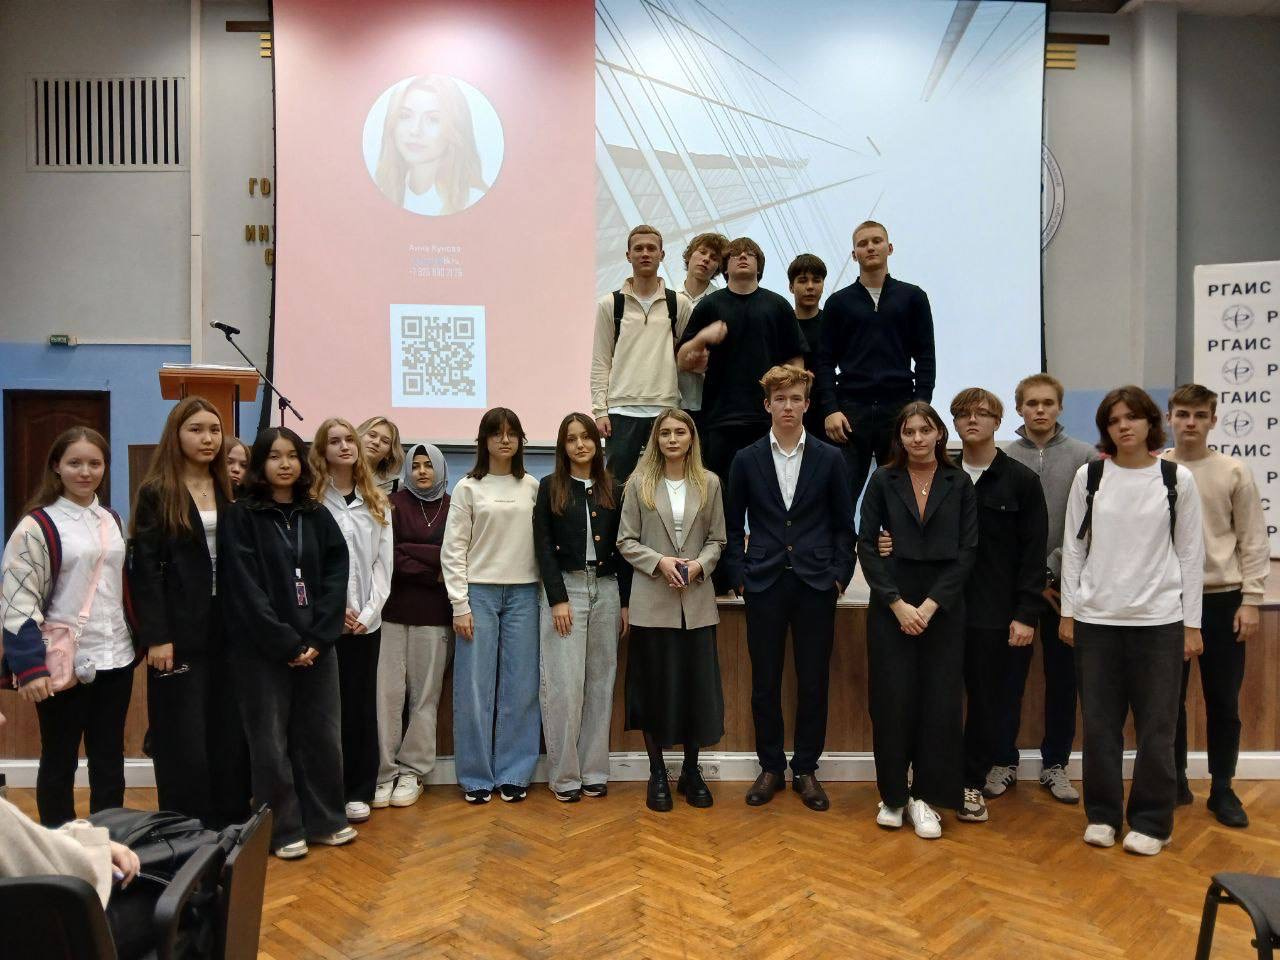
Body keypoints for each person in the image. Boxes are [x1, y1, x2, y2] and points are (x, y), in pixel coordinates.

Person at [878, 389, 1048, 825]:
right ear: (951, 424)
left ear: (998, 421)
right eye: (963, 414)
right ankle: (923, 786)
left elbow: (1033, 553)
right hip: (940, 610)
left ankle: (969, 782)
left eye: (983, 413)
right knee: (935, 700)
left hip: (991, 610)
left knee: (985, 701)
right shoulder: (938, 473)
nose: (973, 420)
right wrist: (887, 542)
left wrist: (1025, 612)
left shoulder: (1020, 480)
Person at [1060, 386, 1204, 856]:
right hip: (1097, 621)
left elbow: (1191, 554)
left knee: (1157, 729)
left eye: (1132, 417)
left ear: (1150, 423)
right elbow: (1074, 548)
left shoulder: (1175, 479)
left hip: (1159, 623)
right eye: (1113, 420)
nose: (1123, 426)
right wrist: (1068, 612)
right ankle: (1103, 816)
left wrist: (1192, 624)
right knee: (1099, 727)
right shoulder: (1090, 476)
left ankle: (1152, 822)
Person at [723, 366, 855, 812]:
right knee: (765, 682)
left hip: (816, 583)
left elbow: (844, 525)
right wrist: (739, 575)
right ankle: (770, 767)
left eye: (796, 398)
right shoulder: (746, 459)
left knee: (813, 681)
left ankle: (806, 769)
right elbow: (731, 524)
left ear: (807, 404)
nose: (788, 406)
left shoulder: (829, 458)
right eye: (780, 399)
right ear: (767, 405)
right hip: (763, 582)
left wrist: (840, 575)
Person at [219, 427, 354, 859]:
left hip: (317, 647)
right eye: (274, 456)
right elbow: (244, 588)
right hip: (262, 650)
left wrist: (318, 637)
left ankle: (327, 820)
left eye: (292, 455)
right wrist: (285, 643)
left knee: (322, 736)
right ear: (260, 464)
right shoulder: (241, 516)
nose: (284, 464)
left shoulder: (316, 514)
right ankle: (282, 829)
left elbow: (336, 575)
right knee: (270, 744)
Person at [0, 427, 136, 827]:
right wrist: (29, 666)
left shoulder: (112, 519)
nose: (85, 472)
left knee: (109, 760)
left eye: (95, 463)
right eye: (75, 463)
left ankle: (109, 841)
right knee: (59, 759)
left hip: (115, 655)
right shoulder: (36, 525)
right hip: (62, 661)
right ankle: (58, 847)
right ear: (56, 467)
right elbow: (17, 598)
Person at [856, 402, 977, 840]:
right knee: (891, 703)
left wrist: (927, 608)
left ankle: (925, 798)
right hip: (892, 608)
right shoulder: (882, 480)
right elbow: (866, 545)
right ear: (900, 438)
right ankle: (893, 797)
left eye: (926, 430)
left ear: (939, 433)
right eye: (909, 432)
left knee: (939, 705)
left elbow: (967, 552)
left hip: (942, 611)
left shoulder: (959, 482)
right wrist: (898, 605)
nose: (918, 438)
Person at [129, 397, 249, 828]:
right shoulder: (157, 491)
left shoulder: (230, 489)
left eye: (214, 430)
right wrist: (157, 636)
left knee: (227, 730)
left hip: (227, 627)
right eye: (196, 429)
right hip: (177, 632)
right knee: (182, 736)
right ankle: (186, 829)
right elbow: (144, 570)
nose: (207, 438)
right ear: (176, 435)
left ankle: (229, 824)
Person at [1163, 383, 1268, 827]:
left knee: (1223, 701)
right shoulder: (1155, 469)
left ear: (1213, 420)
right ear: (1169, 418)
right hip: (1167, 602)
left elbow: (1252, 539)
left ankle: (1222, 788)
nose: (1191, 423)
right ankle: (1174, 783)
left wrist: (1252, 600)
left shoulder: (1233, 471)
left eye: (1200, 415)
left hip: (1222, 601)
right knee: (1167, 703)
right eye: (1183, 414)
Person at [617, 408, 726, 813]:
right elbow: (626, 541)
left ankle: (692, 772)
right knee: (654, 691)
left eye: (680, 432)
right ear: (656, 439)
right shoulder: (639, 483)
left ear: (692, 437)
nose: (673, 439)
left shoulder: (709, 482)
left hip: (696, 604)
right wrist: (659, 562)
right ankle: (658, 773)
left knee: (696, 691)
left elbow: (718, 540)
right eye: (665, 433)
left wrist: (698, 566)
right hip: (652, 603)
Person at [1000, 373, 1097, 803]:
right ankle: (1003, 760)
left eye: (1047, 403)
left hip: (1066, 590)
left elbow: (1091, 523)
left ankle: (1055, 764)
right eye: (1031, 403)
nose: (1039, 410)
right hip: (1016, 591)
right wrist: (1028, 578)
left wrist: (1055, 571)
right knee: (1008, 680)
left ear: (1060, 407)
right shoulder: (1003, 457)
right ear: (1019, 408)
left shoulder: (1085, 457)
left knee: (1063, 681)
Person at [441, 408, 541, 804]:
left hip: (525, 593)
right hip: (478, 594)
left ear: (520, 440)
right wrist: (459, 604)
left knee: (521, 687)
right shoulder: (468, 487)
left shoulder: (532, 486)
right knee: (474, 687)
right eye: (496, 433)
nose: (504, 440)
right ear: (483, 440)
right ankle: (476, 776)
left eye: (512, 433)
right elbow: (453, 550)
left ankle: (514, 772)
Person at [533, 414, 631, 802]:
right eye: (572, 439)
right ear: (563, 446)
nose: (580, 445)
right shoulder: (550, 487)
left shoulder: (613, 487)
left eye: (586, 437)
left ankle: (594, 771)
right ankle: (564, 775)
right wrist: (557, 598)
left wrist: (624, 602)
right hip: (566, 590)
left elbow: (624, 548)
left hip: (606, 589)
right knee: (563, 686)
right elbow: (542, 546)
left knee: (600, 684)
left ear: (596, 442)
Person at [814, 221, 935, 505]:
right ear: (854, 254)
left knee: (901, 500)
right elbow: (824, 361)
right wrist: (830, 409)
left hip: (898, 408)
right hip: (850, 411)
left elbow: (926, 358)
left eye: (876, 241)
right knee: (840, 499)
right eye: (862, 243)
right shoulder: (838, 303)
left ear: (889, 248)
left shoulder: (913, 297)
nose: (870, 247)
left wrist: (920, 408)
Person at [310, 418, 393, 825]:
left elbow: (381, 563)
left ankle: (360, 790)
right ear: (321, 450)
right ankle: (328, 792)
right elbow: (307, 563)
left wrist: (368, 612)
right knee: (324, 710)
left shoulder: (376, 501)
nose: (344, 446)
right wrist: (330, 609)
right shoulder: (311, 501)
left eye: (349, 440)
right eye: (335, 441)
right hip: (324, 623)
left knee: (360, 707)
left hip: (364, 624)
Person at [676, 237, 805, 486]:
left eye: (750, 254)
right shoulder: (710, 304)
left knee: (768, 492)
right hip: (719, 417)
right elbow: (682, 360)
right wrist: (703, 337)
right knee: (720, 492)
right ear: (725, 266)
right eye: (735, 254)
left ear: (759, 266)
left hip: (767, 417)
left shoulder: (778, 305)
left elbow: (795, 359)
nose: (743, 256)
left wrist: (788, 400)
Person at [374, 442, 452, 809]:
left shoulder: (454, 506)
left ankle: (412, 771)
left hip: (435, 617)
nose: (422, 471)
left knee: (424, 697)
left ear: (439, 469)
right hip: (391, 614)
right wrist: (431, 566)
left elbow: (454, 556)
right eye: (415, 465)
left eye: (428, 465)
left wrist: (411, 552)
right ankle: (383, 771)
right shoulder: (392, 504)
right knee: (387, 697)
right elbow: (389, 556)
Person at [591, 224, 691, 484]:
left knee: (668, 484)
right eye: (638, 249)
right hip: (621, 410)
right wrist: (600, 411)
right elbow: (601, 360)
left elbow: (688, 358)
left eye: (651, 248)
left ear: (661, 255)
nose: (645, 253)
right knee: (617, 487)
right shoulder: (611, 304)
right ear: (628, 255)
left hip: (666, 409)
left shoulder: (678, 304)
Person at [373, 74, 488, 215]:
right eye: (405, 116)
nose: (415, 130)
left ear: (455, 129)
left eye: (433, 119)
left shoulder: (471, 200)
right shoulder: (383, 193)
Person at [676, 232, 729, 421]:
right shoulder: (668, 297)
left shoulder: (723, 303)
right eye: (702, 252)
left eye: (714, 257)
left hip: (706, 399)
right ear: (690, 255)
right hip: (668, 394)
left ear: (719, 267)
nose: (706, 259)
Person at [787, 254, 828, 437]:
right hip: (788, 409)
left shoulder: (832, 325)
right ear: (791, 286)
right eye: (803, 281)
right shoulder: (781, 324)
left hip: (825, 411)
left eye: (816, 280)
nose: (810, 287)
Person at [358, 416, 405, 495]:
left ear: (389, 453)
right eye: (372, 435)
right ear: (358, 437)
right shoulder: (339, 476)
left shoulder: (396, 485)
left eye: (385, 441)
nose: (376, 442)